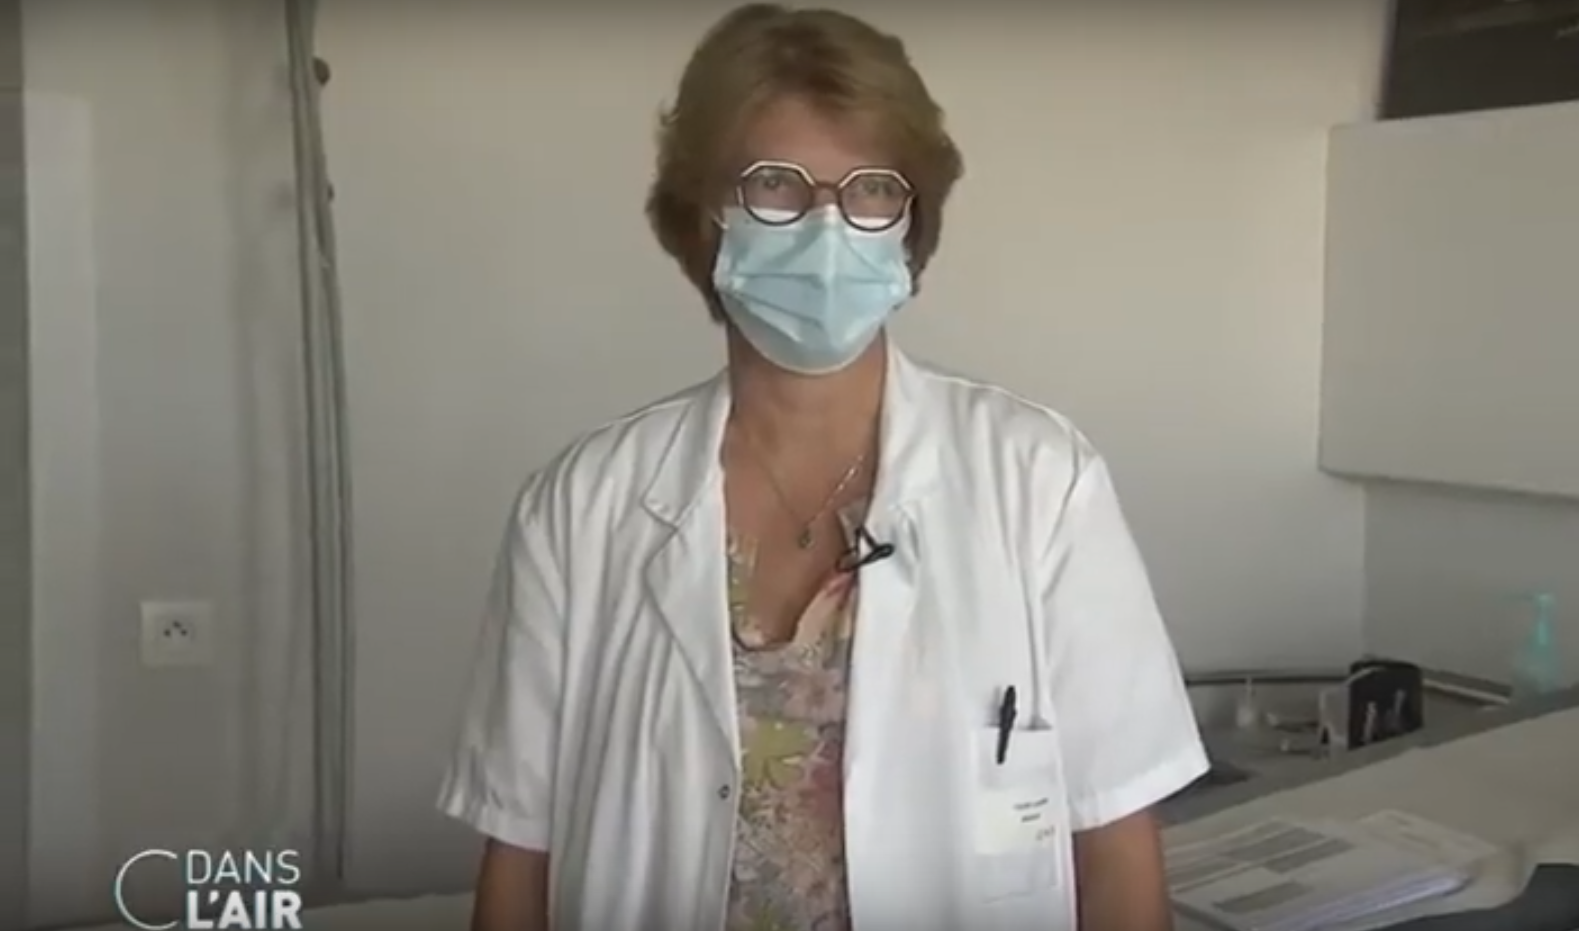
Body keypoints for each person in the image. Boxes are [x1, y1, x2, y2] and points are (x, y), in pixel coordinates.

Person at [439, 5, 1207, 931]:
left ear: (909, 224)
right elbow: (519, 857)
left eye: (871, 190)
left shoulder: (1040, 482)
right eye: (775, 184)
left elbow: (1115, 849)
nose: (826, 227)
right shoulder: (579, 507)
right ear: (702, 216)